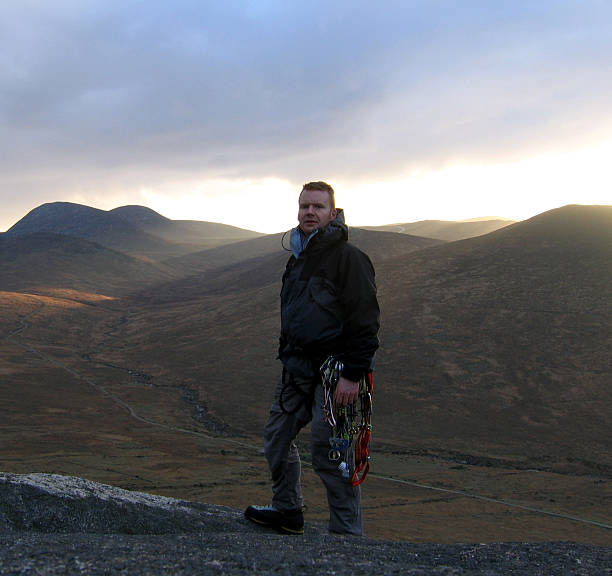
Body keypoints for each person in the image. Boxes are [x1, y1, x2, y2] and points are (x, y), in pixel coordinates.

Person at [245, 181, 380, 536]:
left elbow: (365, 321)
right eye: (305, 206)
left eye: (318, 207)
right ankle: (287, 510)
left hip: (335, 375)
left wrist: (354, 374)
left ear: (333, 214)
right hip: (296, 370)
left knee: (331, 452)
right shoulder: (298, 259)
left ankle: (347, 534)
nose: (309, 212)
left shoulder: (350, 259)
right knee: (276, 438)